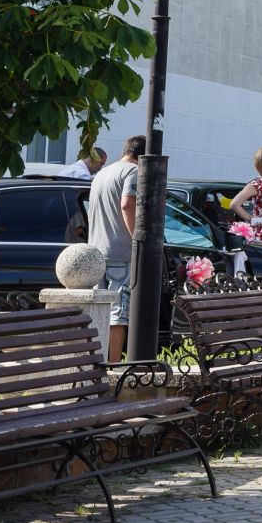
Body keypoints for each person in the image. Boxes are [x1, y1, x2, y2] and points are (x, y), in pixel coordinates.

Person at [86, 135, 143, 361]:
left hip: (96, 251)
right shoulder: (133, 172)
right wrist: (137, 238)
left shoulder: (101, 173)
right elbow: (127, 203)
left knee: (99, 312)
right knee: (118, 314)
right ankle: (114, 365)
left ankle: (97, 361)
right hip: (120, 251)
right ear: (144, 157)